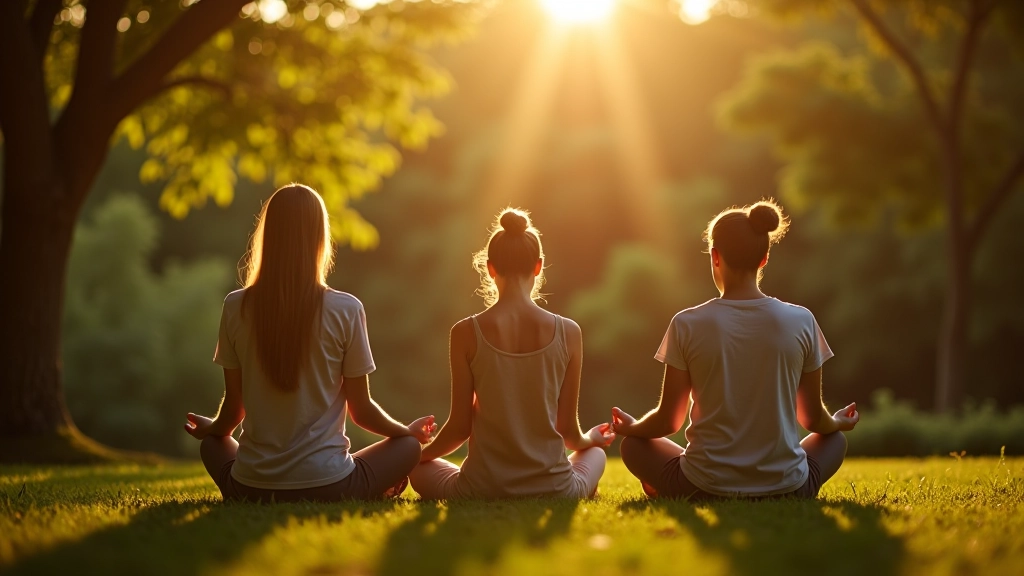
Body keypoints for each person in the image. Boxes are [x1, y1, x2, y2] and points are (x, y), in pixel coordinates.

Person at [184, 184, 436, 503]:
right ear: (320, 238)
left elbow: (233, 411)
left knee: (212, 444)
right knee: (408, 448)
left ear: (269, 236)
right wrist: (407, 432)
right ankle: (369, 487)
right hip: (331, 485)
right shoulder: (346, 309)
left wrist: (212, 428)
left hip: (250, 487)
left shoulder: (236, 306)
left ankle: (250, 486)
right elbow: (362, 411)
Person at [612, 200, 859, 500]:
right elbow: (812, 420)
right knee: (834, 440)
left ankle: (670, 486)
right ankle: (788, 486)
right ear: (764, 258)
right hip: (788, 488)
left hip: (703, 486)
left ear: (715, 256)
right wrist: (839, 422)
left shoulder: (687, 323)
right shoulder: (801, 320)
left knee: (633, 446)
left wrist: (632, 428)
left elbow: (668, 421)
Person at [409, 208, 615, 499]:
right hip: (555, 489)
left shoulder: (465, 332)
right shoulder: (569, 332)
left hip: (480, 489)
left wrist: (412, 458)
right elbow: (568, 433)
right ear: (538, 266)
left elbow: (459, 428)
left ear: (491, 268)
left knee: (418, 468)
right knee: (595, 455)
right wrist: (590, 439)